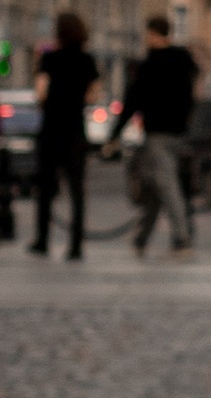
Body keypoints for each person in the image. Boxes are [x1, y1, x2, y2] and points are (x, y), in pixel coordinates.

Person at [118, 16, 199, 254]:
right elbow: (193, 91)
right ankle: (142, 238)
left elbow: (132, 101)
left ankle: (181, 237)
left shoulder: (148, 65)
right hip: (179, 133)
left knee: (165, 184)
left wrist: (114, 135)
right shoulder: (184, 59)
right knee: (156, 185)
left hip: (156, 134)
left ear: (153, 34)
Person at [30, 13, 98, 261]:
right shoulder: (87, 60)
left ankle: (42, 240)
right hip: (75, 132)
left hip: (51, 130)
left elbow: (40, 92)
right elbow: (93, 95)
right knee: (77, 191)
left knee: (45, 189)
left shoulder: (49, 58)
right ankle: (76, 246)